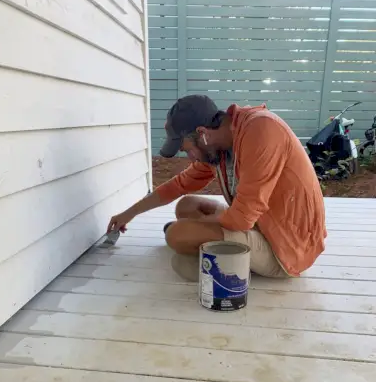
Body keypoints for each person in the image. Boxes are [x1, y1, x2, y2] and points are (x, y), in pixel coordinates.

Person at [107, 95, 327, 281]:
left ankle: (228, 262)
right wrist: (129, 213)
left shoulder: (262, 130)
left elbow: (241, 219)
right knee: (187, 206)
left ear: (202, 133)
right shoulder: (222, 143)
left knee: (177, 235)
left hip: (286, 247)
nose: (189, 157)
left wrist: (194, 228)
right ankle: (219, 254)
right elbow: (178, 186)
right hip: (261, 222)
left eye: (187, 149)